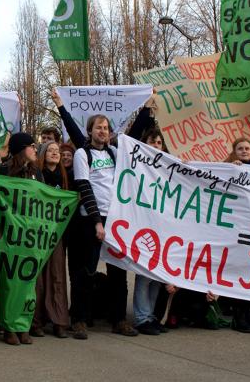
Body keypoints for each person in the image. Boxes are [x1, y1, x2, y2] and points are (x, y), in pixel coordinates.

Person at [71, 114, 138, 338]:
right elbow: (84, 186)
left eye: (106, 128)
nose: (102, 131)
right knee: (86, 271)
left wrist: (146, 112)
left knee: (118, 271)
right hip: (91, 218)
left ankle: (119, 319)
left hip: (115, 218)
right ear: (90, 131)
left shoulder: (114, 153)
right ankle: (80, 319)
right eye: (98, 127)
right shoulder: (82, 154)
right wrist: (97, 222)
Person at [0, 133, 42, 345]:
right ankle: (8, 326)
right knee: (9, 282)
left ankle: (23, 324)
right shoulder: (4, 171)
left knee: (28, 283)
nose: (35, 149)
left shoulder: (37, 173)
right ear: (21, 149)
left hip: (31, 236)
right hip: (9, 235)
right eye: (32, 146)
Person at [223, 138, 250, 333]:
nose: (244, 151)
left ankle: (249, 312)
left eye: (247, 148)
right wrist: (229, 168)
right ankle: (239, 316)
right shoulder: (228, 168)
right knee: (240, 272)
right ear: (234, 151)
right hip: (236, 230)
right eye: (240, 148)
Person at [131, 128, 172, 335]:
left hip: (162, 226)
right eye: (152, 142)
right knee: (144, 274)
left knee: (157, 274)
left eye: (159, 143)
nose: (156, 146)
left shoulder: (169, 166)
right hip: (143, 224)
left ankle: (151, 316)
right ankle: (141, 317)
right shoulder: (138, 162)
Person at [31, 141, 71, 339]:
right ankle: (36, 321)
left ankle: (59, 321)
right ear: (43, 154)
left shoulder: (65, 177)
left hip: (57, 232)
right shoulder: (36, 175)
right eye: (51, 150)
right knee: (38, 278)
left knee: (57, 275)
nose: (55, 153)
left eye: (58, 151)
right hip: (37, 232)